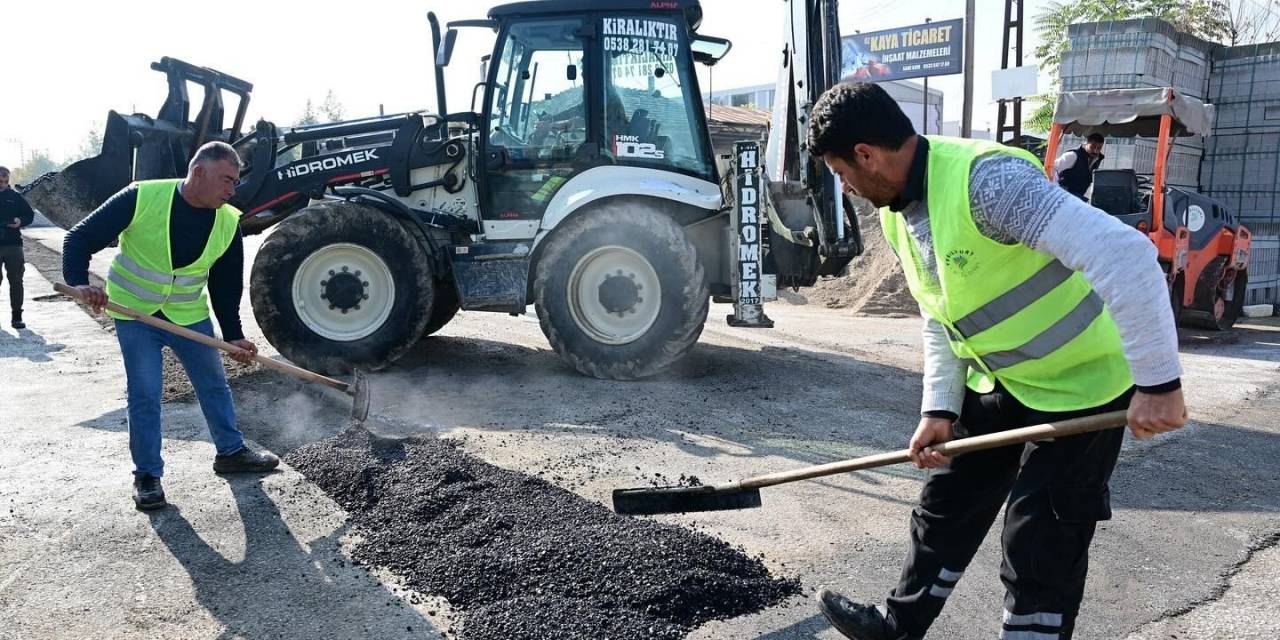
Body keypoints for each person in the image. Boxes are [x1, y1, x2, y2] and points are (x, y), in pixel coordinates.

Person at [804, 83, 1186, 640]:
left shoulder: (988, 184)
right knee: (946, 503)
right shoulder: (899, 211)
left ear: (867, 153)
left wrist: (1159, 382)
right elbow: (940, 310)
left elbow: (1125, 255)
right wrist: (939, 406)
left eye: (842, 172)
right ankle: (898, 626)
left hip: (1085, 382)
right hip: (1006, 378)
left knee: (1039, 536)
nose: (847, 187)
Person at [62, 141, 278, 511]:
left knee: (213, 384)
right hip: (135, 314)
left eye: (235, 181)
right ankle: (147, 475)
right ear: (199, 172)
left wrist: (234, 336)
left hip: (187, 314)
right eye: (226, 180)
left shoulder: (228, 221)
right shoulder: (141, 197)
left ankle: (230, 452)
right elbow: (78, 238)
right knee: (145, 392)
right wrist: (79, 282)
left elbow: (225, 286)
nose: (232, 189)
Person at [0, 166, 35, 329]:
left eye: (6, 182)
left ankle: (17, 317)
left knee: (16, 281)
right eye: (0, 181)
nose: (3, 184)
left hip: (13, 245)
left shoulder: (15, 197)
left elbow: (29, 215)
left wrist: (20, 221)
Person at [1052, 132, 1106, 200]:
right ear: (1086, 143)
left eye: (1099, 148)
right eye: (1092, 147)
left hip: (1077, 197)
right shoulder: (1073, 155)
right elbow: (1052, 168)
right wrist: (1056, 188)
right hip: (1062, 195)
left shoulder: (1097, 159)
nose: (1095, 151)